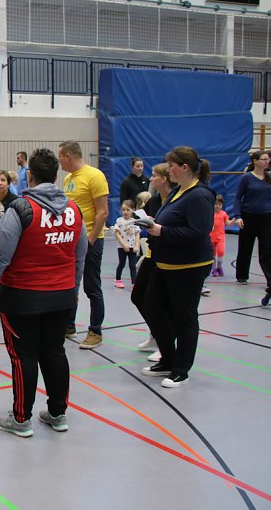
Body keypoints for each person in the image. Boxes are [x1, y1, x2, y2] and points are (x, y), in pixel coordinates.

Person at [0, 148, 87, 438]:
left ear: (30, 176)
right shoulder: (74, 210)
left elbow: (0, 256)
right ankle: (58, 414)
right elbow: (80, 255)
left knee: (23, 357)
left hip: (22, 297)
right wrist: (73, 288)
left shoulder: (20, 210)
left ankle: (21, 418)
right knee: (54, 351)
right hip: (61, 295)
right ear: (56, 175)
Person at [142, 146, 214, 388]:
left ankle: (181, 369)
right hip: (166, 263)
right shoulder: (178, 191)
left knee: (185, 317)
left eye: (171, 165)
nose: (168, 169)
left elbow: (198, 232)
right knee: (152, 308)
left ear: (184, 167)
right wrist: (153, 223)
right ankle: (168, 359)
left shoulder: (199, 195)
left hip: (189, 266)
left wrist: (161, 230)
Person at [59, 140, 109, 348]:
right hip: (71, 241)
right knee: (70, 285)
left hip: (90, 240)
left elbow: (102, 212)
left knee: (92, 287)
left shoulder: (94, 176)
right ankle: (69, 325)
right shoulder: (68, 179)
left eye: (60, 156)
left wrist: (90, 240)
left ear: (68, 156)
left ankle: (95, 331)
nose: (59, 161)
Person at [132, 163, 174, 359]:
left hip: (168, 256)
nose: (150, 179)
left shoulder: (176, 200)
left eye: (154, 175)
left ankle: (166, 342)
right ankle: (157, 334)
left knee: (161, 302)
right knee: (138, 296)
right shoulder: (154, 200)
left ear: (164, 179)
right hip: (152, 253)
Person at [232, 150, 271, 305]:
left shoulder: (269, 177)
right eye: (263, 159)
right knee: (245, 246)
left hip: (267, 217)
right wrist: (238, 215)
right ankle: (242, 275)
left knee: (266, 248)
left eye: (268, 159)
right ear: (255, 161)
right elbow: (237, 197)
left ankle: (269, 279)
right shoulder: (246, 178)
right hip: (248, 216)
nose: (267, 162)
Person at [113, 200, 141, 288]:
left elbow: (137, 234)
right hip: (122, 247)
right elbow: (117, 233)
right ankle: (118, 280)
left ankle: (134, 283)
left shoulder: (135, 221)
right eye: (123, 210)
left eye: (128, 210)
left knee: (132, 265)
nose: (125, 212)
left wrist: (136, 245)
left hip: (132, 247)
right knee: (121, 263)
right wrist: (123, 245)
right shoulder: (119, 221)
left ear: (133, 210)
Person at [210, 194, 235, 277]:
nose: (217, 206)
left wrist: (234, 219)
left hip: (221, 238)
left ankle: (219, 267)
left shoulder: (224, 214)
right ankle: (214, 269)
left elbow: (228, 223)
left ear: (222, 205)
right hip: (211, 238)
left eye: (219, 204)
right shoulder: (210, 214)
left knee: (221, 251)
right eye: (216, 204)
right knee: (213, 254)